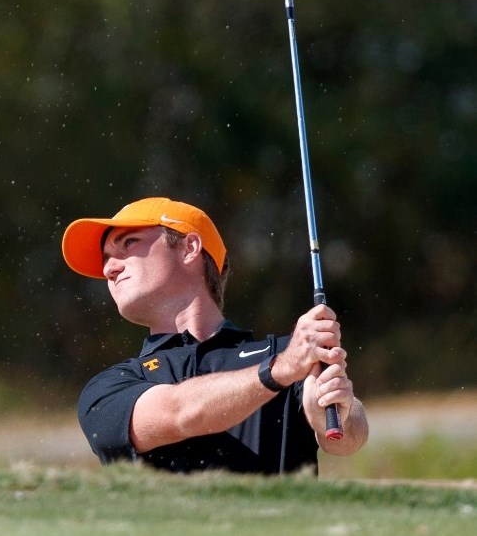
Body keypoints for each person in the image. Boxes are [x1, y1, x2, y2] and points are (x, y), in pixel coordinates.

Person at [62, 197, 368, 474]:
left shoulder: (287, 353)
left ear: (189, 248)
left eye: (128, 243)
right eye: (106, 257)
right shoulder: (109, 387)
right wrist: (279, 372)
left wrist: (334, 411)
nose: (109, 269)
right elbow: (180, 413)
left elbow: (348, 439)